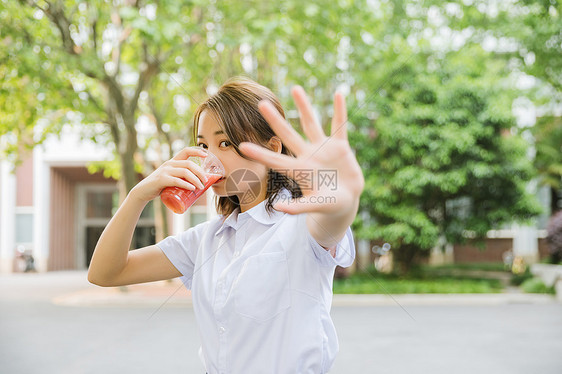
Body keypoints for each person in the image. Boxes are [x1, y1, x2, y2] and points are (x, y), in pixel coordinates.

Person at [88, 77, 365, 374]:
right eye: (202, 145)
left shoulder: (301, 225)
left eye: (225, 143)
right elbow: (105, 272)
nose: (210, 157)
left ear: (272, 148)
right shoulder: (207, 239)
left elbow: (332, 219)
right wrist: (138, 194)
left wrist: (344, 198)